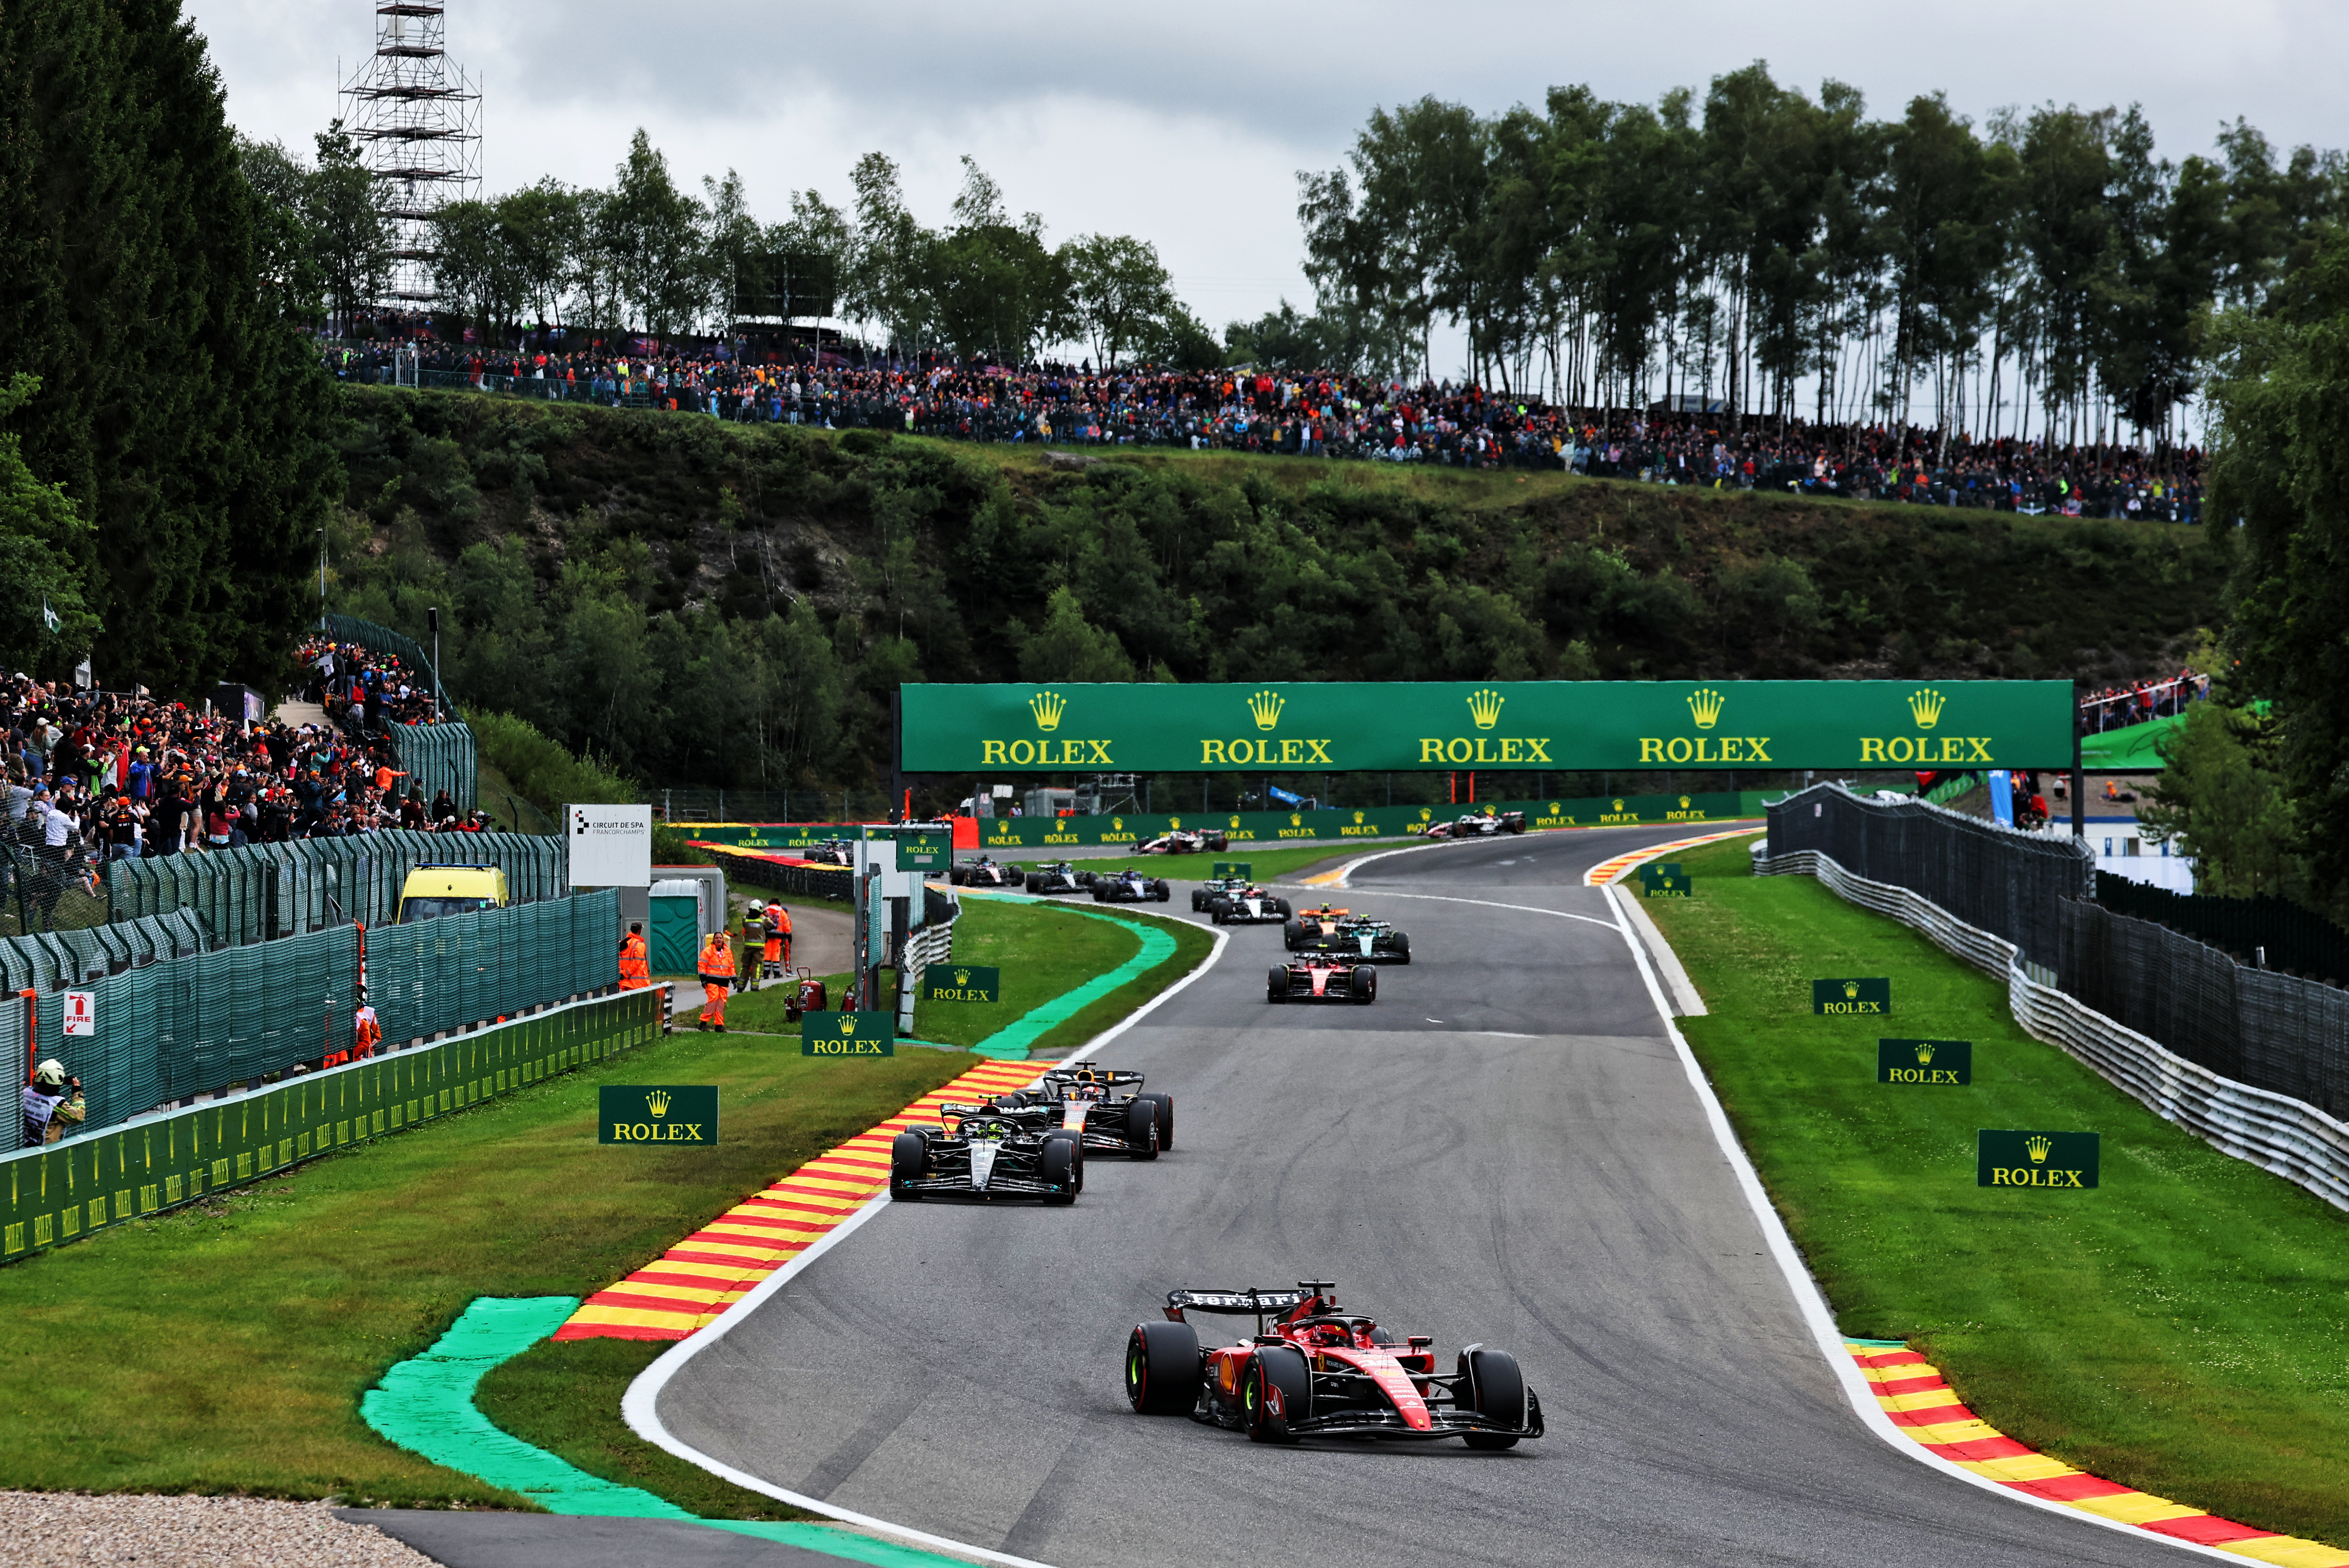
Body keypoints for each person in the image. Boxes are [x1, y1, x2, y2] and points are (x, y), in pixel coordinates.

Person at [21, 1058, 82, 1146]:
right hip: (47, 1152)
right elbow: (79, 1117)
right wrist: (77, 1093)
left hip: (25, 1148)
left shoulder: (26, 1093)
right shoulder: (57, 1104)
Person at [695, 927, 735, 1031]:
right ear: (713, 940)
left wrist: (734, 978)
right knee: (713, 999)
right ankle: (703, 1022)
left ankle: (719, 1025)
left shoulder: (728, 952)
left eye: (720, 938)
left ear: (723, 940)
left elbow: (731, 966)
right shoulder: (707, 951)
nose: (719, 940)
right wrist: (703, 978)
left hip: (724, 981)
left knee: (721, 1002)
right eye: (717, 938)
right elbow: (702, 965)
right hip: (711, 980)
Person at [618, 922, 651, 990]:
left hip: (625, 982)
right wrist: (626, 974)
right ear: (640, 931)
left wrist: (623, 975)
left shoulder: (622, 943)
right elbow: (637, 963)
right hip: (638, 984)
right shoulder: (639, 945)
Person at [762, 900, 790, 980]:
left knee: (767, 954)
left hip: (768, 936)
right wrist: (787, 934)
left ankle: (766, 973)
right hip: (778, 936)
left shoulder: (766, 910)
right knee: (776, 954)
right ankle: (776, 973)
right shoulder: (781, 911)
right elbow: (786, 924)